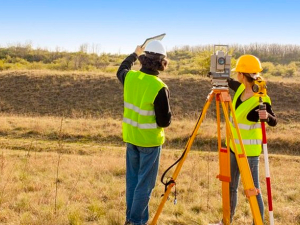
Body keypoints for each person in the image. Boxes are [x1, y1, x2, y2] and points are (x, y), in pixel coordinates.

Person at [116, 40, 171, 225]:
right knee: (144, 186)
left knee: (133, 182)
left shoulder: (130, 78)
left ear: (143, 59)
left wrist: (134, 53)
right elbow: (164, 121)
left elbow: (121, 69)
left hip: (131, 138)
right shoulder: (158, 87)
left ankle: (130, 219)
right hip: (149, 143)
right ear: (162, 62)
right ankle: (136, 221)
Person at [226, 54, 277, 224]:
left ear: (242, 74)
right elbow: (230, 82)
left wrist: (267, 116)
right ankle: (227, 219)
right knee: (231, 186)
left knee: (253, 190)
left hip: (249, 153)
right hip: (234, 147)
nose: (235, 76)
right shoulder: (240, 88)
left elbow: (273, 121)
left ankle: (258, 222)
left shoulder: (261, 97)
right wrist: (216, 75)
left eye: (237, 73)